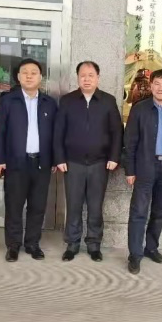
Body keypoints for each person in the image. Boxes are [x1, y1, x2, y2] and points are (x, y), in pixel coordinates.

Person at [54, 61, 123, 262]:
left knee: (95, 206)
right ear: (77, 78)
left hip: (99, 163)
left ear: (98, 78)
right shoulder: (67, 101)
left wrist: (114, 157)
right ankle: (72, 244)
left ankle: (94, 244)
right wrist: (59, 158)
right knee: (73, 205)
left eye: (91, 75)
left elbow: (117, 132)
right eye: (83, 75)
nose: (87, 79)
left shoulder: (108, 101)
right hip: (72, 163)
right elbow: (58, 131)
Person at [0, 58, 58, 262]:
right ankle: (13, 245)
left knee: (37, 206)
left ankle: (32, 243)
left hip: (41, 162)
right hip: (15, 162)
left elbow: (56, 135)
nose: (29, 76)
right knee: (14, 206)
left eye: (33, 73)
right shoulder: (8, 101)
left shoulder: (49, 103)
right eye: (25, 72)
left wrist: (55, 159)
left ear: (40, 77)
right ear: (18, 77)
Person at [124, 69, 162, 274]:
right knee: (139, 212)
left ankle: (151, 248)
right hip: (144, 167)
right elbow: (130, 142)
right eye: (157, 83)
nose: (161, 88)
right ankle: (135, 254)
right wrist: (130, 170)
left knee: (159, 212)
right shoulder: (139, 109)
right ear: (151, 86)